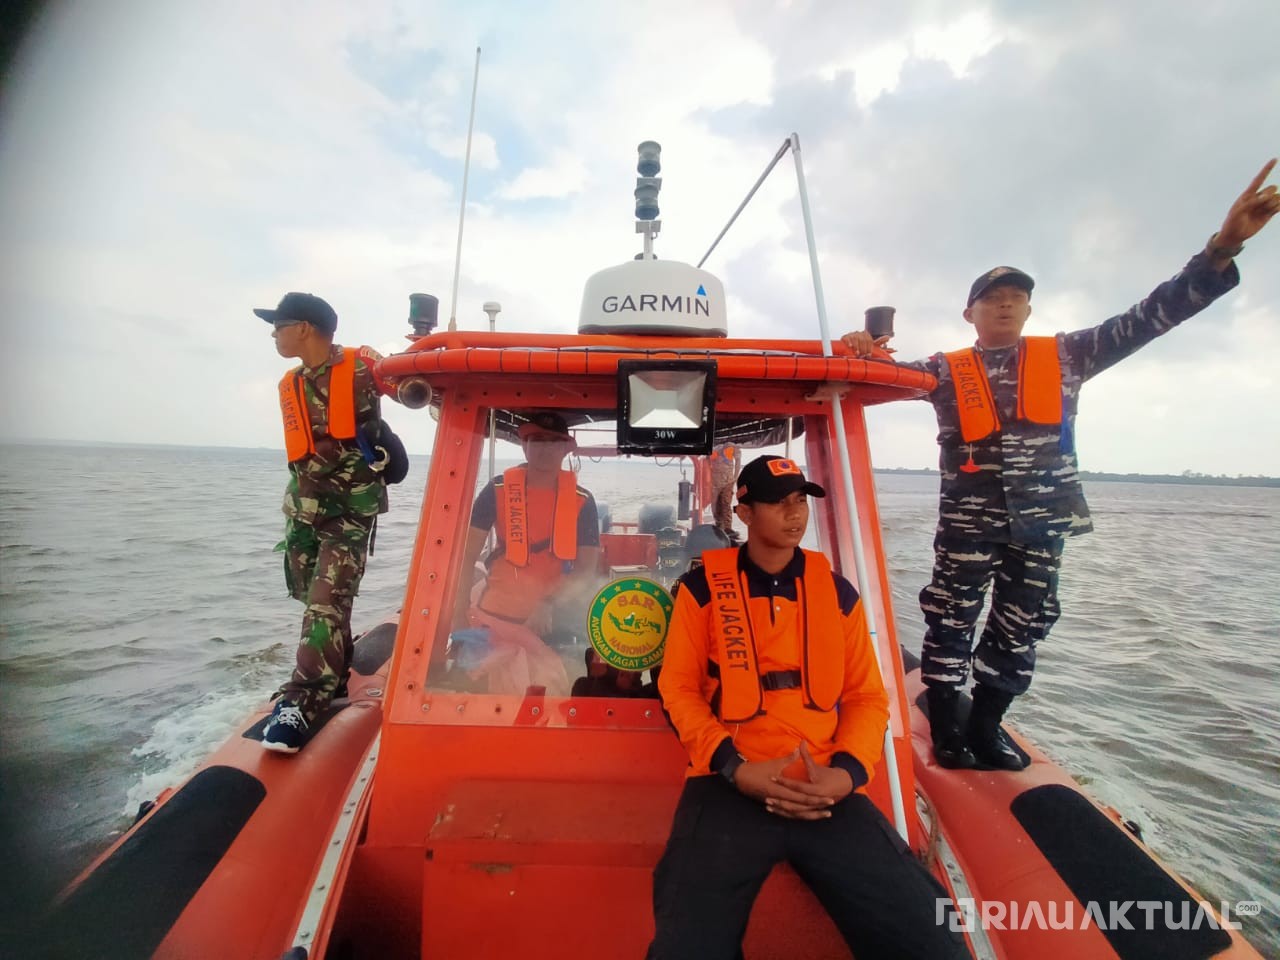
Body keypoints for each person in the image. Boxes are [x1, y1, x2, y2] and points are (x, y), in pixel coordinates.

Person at [841, 160, 1280, 771]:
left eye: (1016, 297)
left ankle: (988, 725)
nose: (1005, 305)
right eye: (991, 298)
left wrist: (1223, 247)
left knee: (1022, 625)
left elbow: (1153, 314)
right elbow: (867, 378)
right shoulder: (940, 369)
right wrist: (858, 345)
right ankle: (945, 727)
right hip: (969, 526)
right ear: (969, 314)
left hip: (1043, 526)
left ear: (1029, 309)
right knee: (949, 618)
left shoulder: (1072, 354)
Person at [648, 455, 969, 960]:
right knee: (684, 949)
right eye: (778, 502)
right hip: (729, 783)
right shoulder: (701, 590)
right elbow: (679, 690)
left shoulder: (838, 594)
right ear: (745, 511)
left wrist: (847, 774)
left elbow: (866, 696)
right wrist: (734, 767)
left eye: (800, 501)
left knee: (932, 939)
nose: (794, 513)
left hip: (824, 786)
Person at [254, 291, 400, 754]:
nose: (273, 335)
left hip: (348, 511)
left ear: (304, 328)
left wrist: (410, 379)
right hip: (302, 511)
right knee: (308, 594)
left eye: (278, 326)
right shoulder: (291, 382)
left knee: (325, 603)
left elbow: (409, 385)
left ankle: (302, 702)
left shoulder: (362, 365)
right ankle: (333, 673)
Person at [451, 411, 600, 696]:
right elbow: (466, 556)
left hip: (551, 622)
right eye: (537, 440)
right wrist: (458, 613)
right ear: (524, 446)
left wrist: (548, 603)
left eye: (554, 442)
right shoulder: (496, 490)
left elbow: (586, 570)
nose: (545, 448)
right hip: (496, 617)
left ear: (565, 449)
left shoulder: (583, 501)